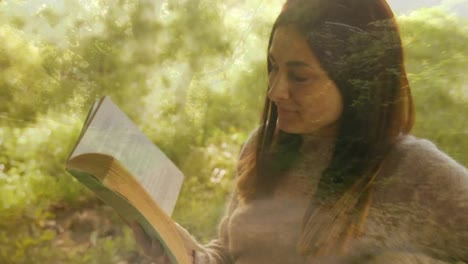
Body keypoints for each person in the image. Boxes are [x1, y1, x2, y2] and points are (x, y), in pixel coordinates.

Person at [131, 0, 468, 263]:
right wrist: (176, 249)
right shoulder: (264, 146)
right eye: (273, 67)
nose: (275, 91)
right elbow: (230, 253)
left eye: (300, 76)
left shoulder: (411, 171)